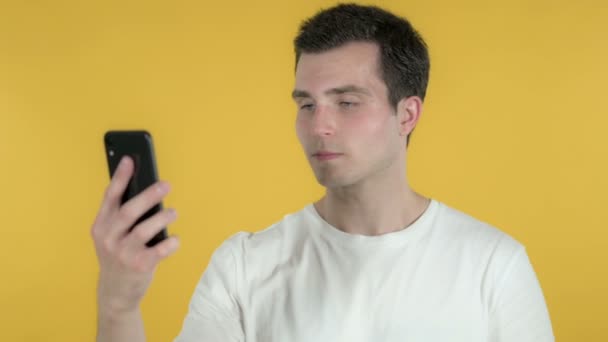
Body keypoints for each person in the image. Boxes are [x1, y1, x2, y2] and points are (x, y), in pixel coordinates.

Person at [91, 3, 554, 342]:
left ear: (407, 114)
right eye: (306, 104)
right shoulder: (245, 268)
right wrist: (118, 306)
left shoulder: (494, 268)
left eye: (347, 103)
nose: (319, 125)